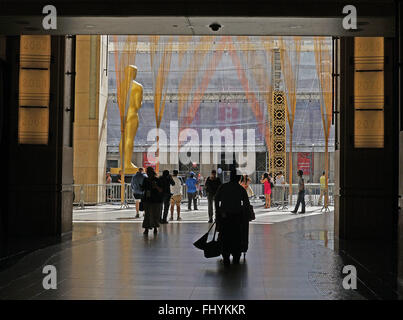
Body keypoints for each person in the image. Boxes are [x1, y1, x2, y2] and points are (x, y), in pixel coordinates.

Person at [215, 169, 250, 265]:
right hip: (237, 217)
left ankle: (225, 256)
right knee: (236, 236)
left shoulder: (223, 187)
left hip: (224, 217)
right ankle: (236, 255)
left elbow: (216, 200)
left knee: (225, 236)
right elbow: (246, 204)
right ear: (239, 178)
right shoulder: (241, 189)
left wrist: (218, 213)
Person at [141, 167, 163, 235]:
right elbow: (143, 188)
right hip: (152, 199)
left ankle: (149, 228)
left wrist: (155, 186)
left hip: (152, 199)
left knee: (150, 214)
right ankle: (152, 228)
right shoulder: (146, 180)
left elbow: (161, 190)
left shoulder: (156, 180)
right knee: (152, 214)